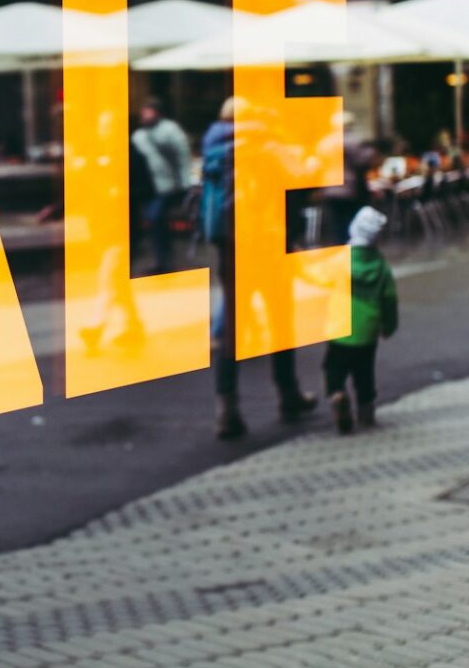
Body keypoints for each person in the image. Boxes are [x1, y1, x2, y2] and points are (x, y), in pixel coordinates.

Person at [200, 97, 318, 439]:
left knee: (234, 327)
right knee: (280, 319)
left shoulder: (215, 148)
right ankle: (289, 395)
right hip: (267, 242)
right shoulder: (267, 146)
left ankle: (227, 409)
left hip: (230, 245)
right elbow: (303, 180)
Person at [323, 206, 398, 433]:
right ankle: (366, 410)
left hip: (339, 327)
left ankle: (337, 395)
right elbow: (389, 298)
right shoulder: (381, 266)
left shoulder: (340, 260)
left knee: (333, 369)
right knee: (364, 373)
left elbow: (324, 284)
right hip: (368, 330)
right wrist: (389, 326)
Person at [131, 97, 191, 273]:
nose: (144, 115)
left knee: (157, 219)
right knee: (155, 221)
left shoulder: (170, 131)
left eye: (148, 111)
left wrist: (184, 182)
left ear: (158, 112)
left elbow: (182, 157)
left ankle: (165, 261)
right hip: (147, 186)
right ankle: (162, 259)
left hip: (166, 185)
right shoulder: (139, 135)